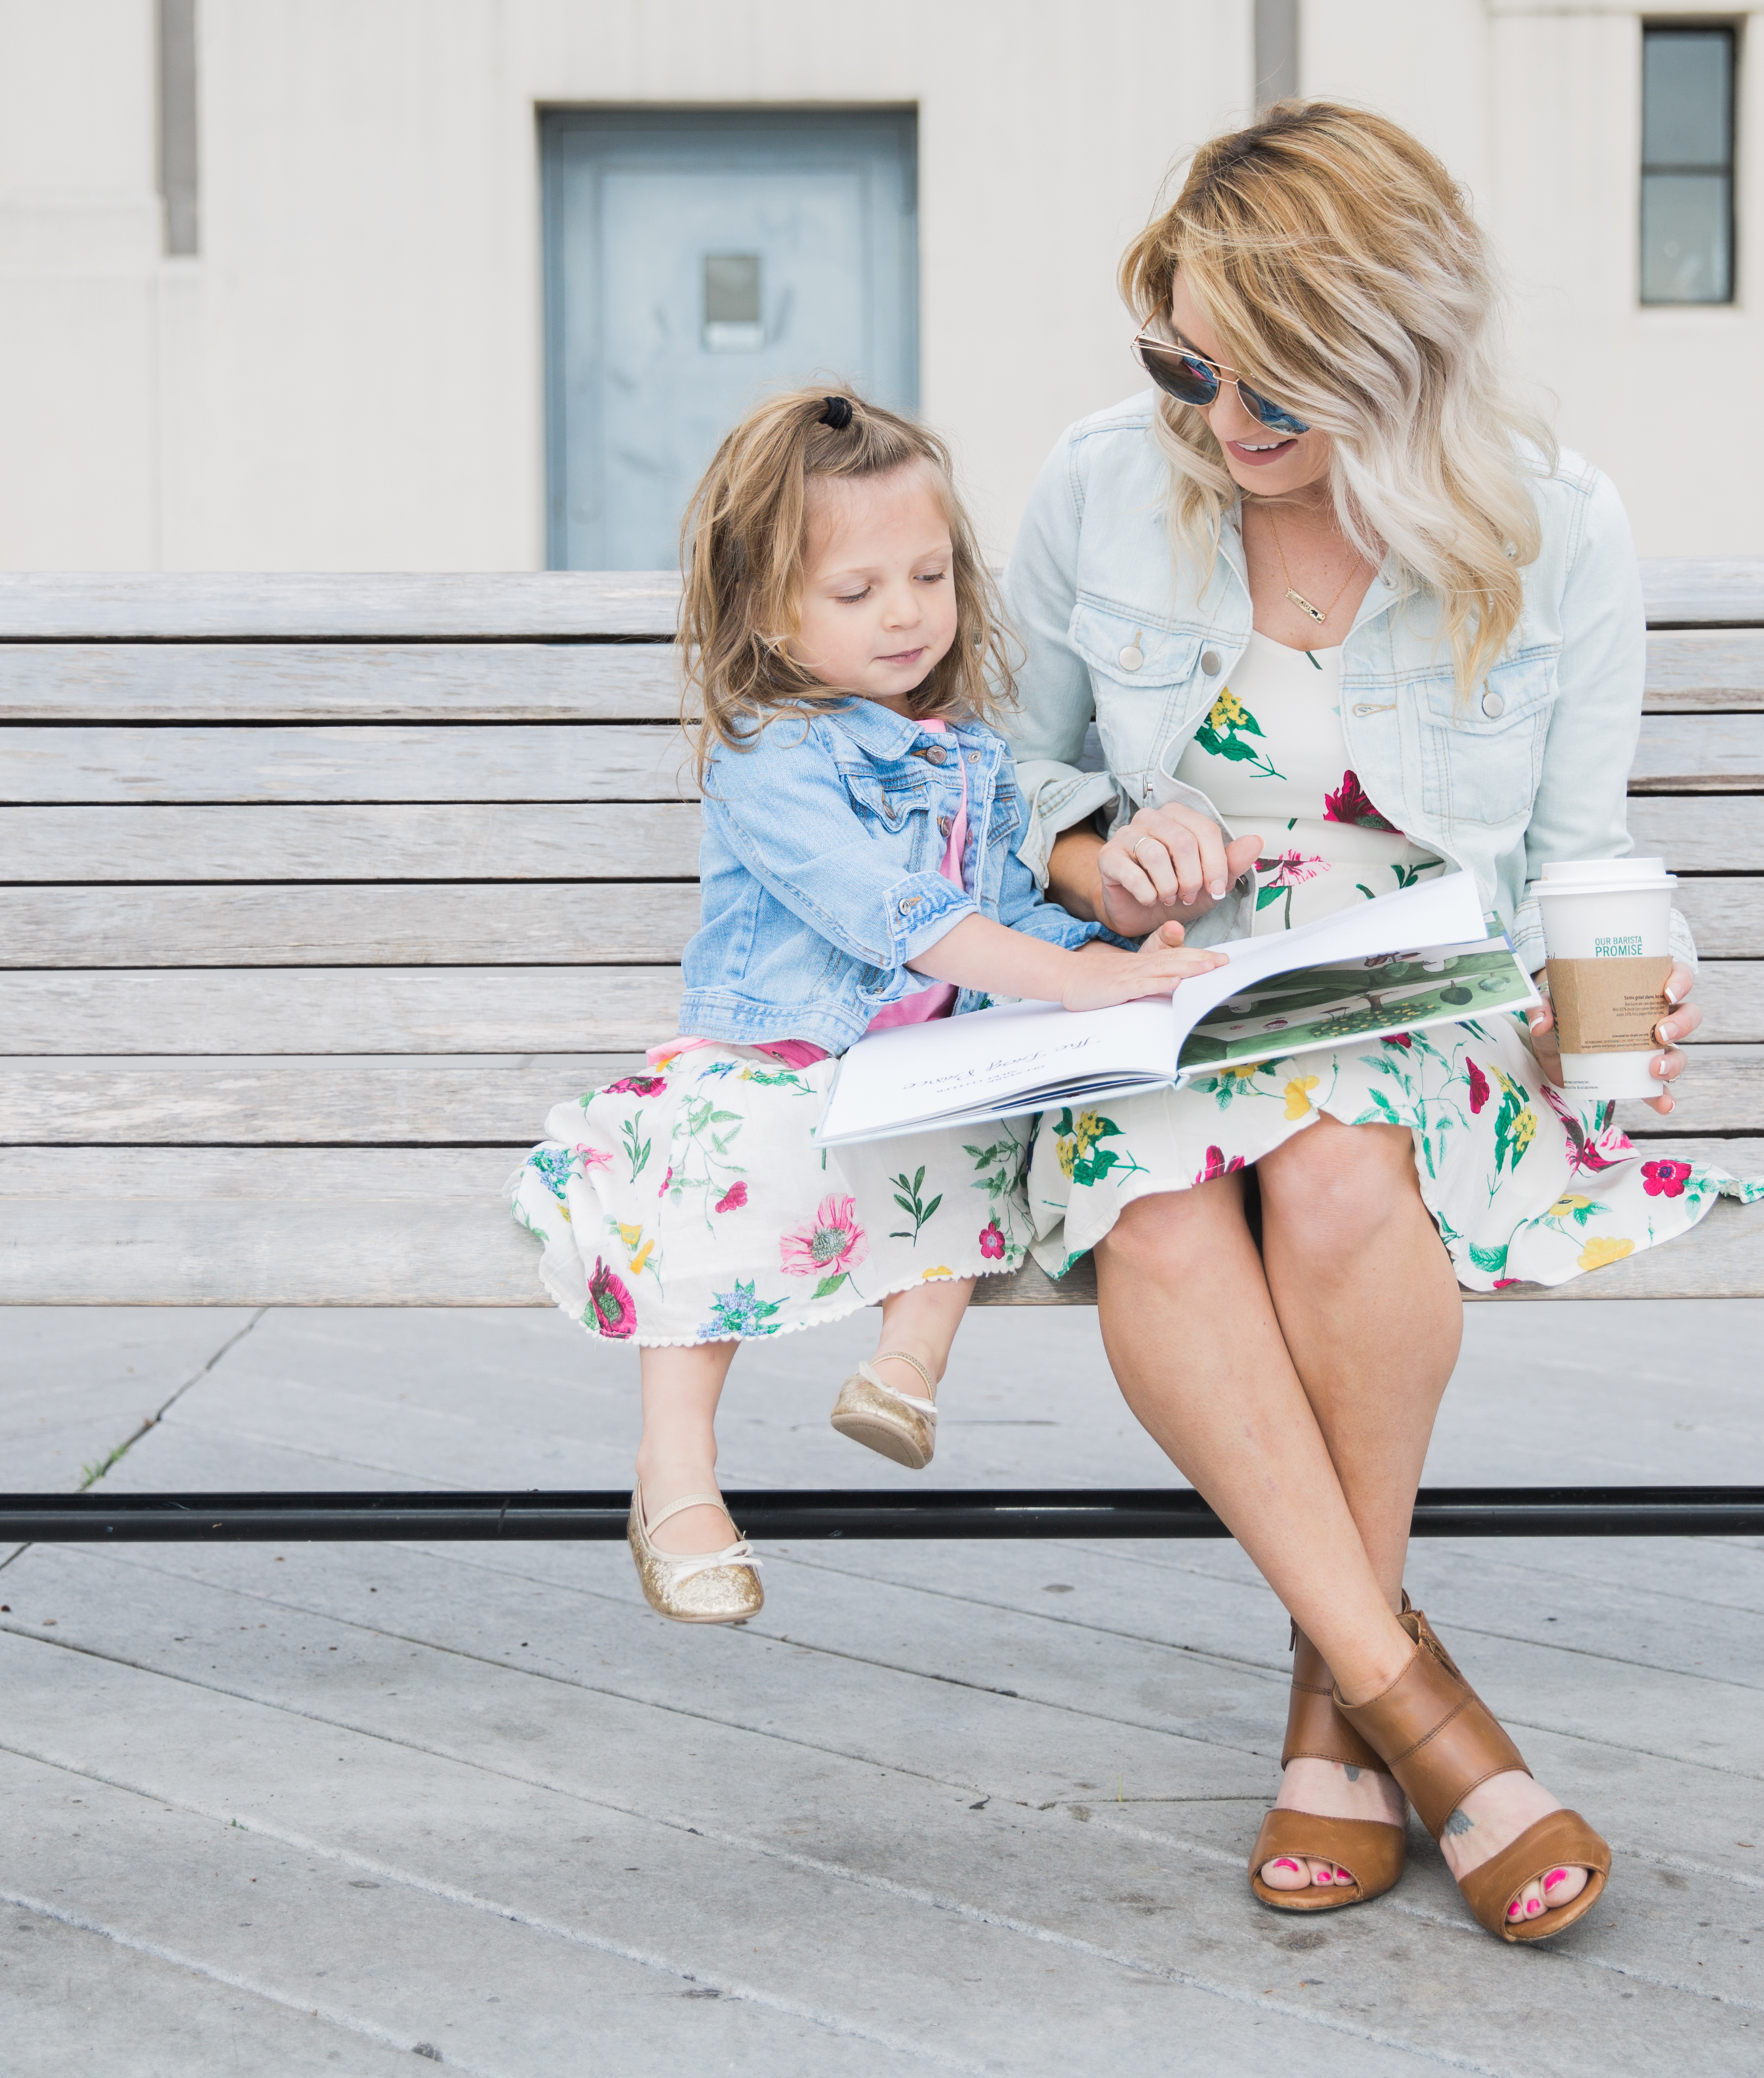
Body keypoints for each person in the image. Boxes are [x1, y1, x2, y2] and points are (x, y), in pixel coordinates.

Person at [1003, 104, 1764, 1942]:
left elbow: (1583, 847)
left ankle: (1335, 1709)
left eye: (1272, 381)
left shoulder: (1550, 523)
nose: (1222, 421)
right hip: (1157, 984)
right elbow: (1015, 778)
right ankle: (1412, 1711)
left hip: (1406, 984)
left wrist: (1642, 971)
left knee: (1342, 1168)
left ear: (1393, 351)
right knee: (1159, 1199)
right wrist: (1103, 851)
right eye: (1184, 364)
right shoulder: (1098, 485)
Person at [510, 388, 1232, 1627]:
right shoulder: (769, 756)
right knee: (710, 1166)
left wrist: (1117, 936)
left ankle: (904, 1369)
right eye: (856, 592)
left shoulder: (968, 754)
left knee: (977, 1125)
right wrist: (1067, 973)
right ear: (766, 610)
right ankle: (674, 1473)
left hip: (920, 1067)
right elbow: (884, 908)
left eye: (930, 574)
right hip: (776, 1054)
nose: (905, 613)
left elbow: (1009, 905)